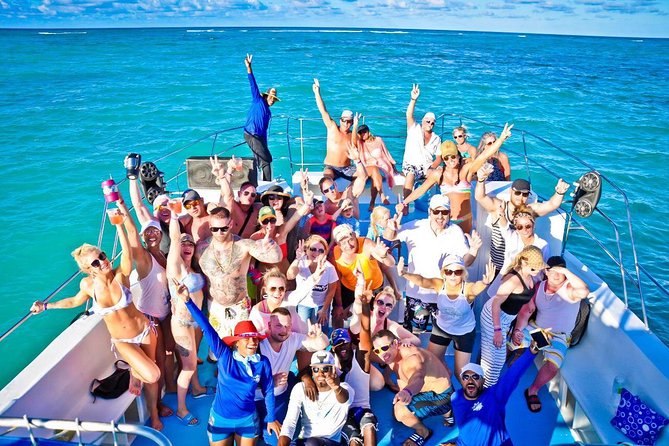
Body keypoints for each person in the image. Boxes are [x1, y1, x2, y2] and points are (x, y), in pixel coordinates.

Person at [30, 197, 162, 431]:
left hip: (145, 330)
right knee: (151, 374)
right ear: (87, 270)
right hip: (123, 341)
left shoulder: (121, 277)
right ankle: (133, 370)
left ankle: (154, 414)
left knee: (154, 381)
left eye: (102, 256)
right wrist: (46, 306)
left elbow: (128, 249)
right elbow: (73, 301)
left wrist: (119, 224)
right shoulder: (87, 287)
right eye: (96, 262)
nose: (102, 262)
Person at [177, 280, 281, 446]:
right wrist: (188, 301)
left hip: (247, 420)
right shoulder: (225, 356)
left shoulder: (262, 362)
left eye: (255, 338)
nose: (253, 342)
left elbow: (268, 390)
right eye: (247, 338)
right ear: (236, 343)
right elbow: (206, 327)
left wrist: (271, 418)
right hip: (220, 420)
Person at [384, 195, 481, 333]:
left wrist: (474, 250)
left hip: (443, 297)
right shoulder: (416, 226)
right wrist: (390, 227)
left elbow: (465, 263)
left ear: (449, 213)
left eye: (444, 212)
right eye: (436, 211)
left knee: (441, 337)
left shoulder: (455, 232)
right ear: (430, 211)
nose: (440, 216)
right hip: (417, 296)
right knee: (413, 337)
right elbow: (390, 236)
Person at [511, 255, 590, 412]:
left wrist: (566, 272)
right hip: (537, 328)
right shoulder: (539, 286)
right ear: (546, 271)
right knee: (513, 344)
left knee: (553, 366)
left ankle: (533, 390)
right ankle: (504, 372)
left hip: (559, 336)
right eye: (552, 271)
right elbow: (527, 311)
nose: (556, 274)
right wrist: (518, 331)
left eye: (560, 271)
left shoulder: (569, 290)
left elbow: (584, 291)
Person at [397, 254, 495, 380]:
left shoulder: (467, 289)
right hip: (442, 328)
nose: (453, 275)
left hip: (464, 332)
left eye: (457, 271)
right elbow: (422, 280)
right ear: (444, 273)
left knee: (460, 374)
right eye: (449, 271)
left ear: (463, 273)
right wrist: (404, 273)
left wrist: (485, 283)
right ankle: (445, 382)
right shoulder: (439, 284)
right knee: (432, 364)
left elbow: (476, 288)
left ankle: (467, 396)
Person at [403, 125, 512, 234]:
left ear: (458, 156)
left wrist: (501, 139)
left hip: (465, 220)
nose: (450, 160)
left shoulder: (466, 171)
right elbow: (421, 190)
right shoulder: (438, 174)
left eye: (453, 156)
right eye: (446, 157)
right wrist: (404, 202)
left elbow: (483, 156)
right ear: (444, 160)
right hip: (446, 222)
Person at [197, 207, 282, 339]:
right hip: (215, 307)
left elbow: (276, 258)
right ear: (210, 226)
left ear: (230, 224)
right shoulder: (201, 249)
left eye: (224, 228)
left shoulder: (244, 246)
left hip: (240, 307)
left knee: (242, 347)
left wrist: (271, 243)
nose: (219, 232)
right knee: (218, 350)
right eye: (215, 229)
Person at [256, 307, 329, 445]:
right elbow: (245, 381)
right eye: (278, 326)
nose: (284, 330)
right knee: (273, 439)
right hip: (260, 397)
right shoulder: (258, 344)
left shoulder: (292, 338)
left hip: (282, 392)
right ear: (269, 325)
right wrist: (270, 382)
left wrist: (319, 336)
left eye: (287, 326)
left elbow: (322, 344)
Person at [475, 175, 570, 277]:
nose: (520, 197)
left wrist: (560, 193)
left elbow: (551, 205)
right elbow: (480, 197)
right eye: (517, 193)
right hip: (499, 265)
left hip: (521, 266)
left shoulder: (529, 211)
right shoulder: (499, 207)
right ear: (511, 191)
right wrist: (481, 180)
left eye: (525, 194)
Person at [371, 330, 453, 446]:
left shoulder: (411, 358)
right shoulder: (392, 354)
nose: (382, 354)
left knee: (400, 411)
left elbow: (418, 377)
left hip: (442, 396)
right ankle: (447, 412)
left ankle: (424, 430)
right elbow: (391, 365)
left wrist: (407, 392)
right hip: (433, 389)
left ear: (395, 343)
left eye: (384, 348)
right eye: (377, 350)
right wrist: (387, 378)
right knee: (399, 404)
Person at [166, 211, 210, 426]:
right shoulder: (175, 268)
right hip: (182, 324)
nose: (187, 245)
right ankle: (181, 409)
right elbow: (175, 239)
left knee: (193, 362)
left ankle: (198, 388)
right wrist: (175, 217)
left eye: (190, 243)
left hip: (194, 322)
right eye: (183, 243)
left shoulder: (194, 267)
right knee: (189, 366)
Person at [480, 246, 546, 387]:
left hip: (506, 318)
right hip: (494, 317)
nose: (537, 271)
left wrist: (529, 303)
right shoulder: (512, 281)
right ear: (523, 263)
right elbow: (496, 305)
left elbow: (522, 298)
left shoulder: (528, 276)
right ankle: (485, 394)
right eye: (534, 268)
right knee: (495, 362)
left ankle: (483, 389)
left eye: (538, 268)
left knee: (493, 358)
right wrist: (497, 331)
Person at [445, 348, 539, 446]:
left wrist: (531, 353)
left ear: (483, 381)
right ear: (462, 381)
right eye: (466, 377)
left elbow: (512, 375)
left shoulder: (494, 395)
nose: (470, 380)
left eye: (476, 377)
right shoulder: (456, 397)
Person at [330, 286, 377, 446]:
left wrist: (365, 305)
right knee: (354, 440)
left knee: (369, 427)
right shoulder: (331, 365)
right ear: (333, 349)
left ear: (352, 344)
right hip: (342, 413)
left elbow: (366, 329)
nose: (343, 347)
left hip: (363, 409)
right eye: (339, 345)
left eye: (346, 343)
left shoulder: (362, 359)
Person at [278, 350, 354, 446]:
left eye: (325, 369)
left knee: (312, 443)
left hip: (330, 442)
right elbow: (290, 423)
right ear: (312, 371)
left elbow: (344, 399)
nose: (320, 373)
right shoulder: (300, 388)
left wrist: (336, 387)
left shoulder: (345, 388)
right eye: (316, 369)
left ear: (333, 369)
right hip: (304, 442)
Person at [331, 224, 396, 326]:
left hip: (372, 288)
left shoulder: (367, 245)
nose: (348, 245)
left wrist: (384, 255)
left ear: (354, 235)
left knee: (372, 318)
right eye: (343, 243)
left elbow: (391, 263)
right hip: (348, 287)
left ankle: (369, 339)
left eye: (350, 239)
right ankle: (337, 339)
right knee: (337, 314)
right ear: (337, 244)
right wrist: (338, 304)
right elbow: (337, 280)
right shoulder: (335, 253)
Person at [249, 263, 328, 335]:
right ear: (265, 290)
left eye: (281, 289)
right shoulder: (257, 311)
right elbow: (254, 335)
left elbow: (303, 289)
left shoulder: (289, 300)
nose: (277, 292)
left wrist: (316, 275)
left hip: (298, 342)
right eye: (273, 288)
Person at [286, 237, 339, 327]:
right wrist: (297, 259)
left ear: (325, 253)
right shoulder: (301, 262)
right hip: (303, 303)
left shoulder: (330, 268)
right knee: (303, 332)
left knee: (321, 333)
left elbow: (331, 291)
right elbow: (290, 276)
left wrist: (324, 310)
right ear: (306, 250)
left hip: (321, 304)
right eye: (313, 249)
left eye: (321, 251)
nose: (316, 253)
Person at [401, 84, 441, 200]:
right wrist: (413, 99)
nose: (430, 124)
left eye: (432, 123)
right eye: (428, 121)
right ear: (422, 121)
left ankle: (437, 203)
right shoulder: (414, 128)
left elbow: (439, 157)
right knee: (410, 175)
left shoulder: (436, 138)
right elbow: (409, 114)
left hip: (427, 167)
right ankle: (405, 204)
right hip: (411, 165)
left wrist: (432, 167)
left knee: (440, 174)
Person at [243, 53, 279, 182]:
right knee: (266, 161)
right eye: (271, 98)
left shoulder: (268, 112)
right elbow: (253, 83)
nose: (273, 101)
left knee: (263, 159)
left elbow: (264, 130)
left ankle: (259, 182)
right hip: (251, 134)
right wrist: (249, 67)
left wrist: (265, 145)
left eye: (274, 99)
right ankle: (267, 184)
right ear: (266, 95)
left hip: (258, 137)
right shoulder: (258, 100)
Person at [312, 78, 357, 181]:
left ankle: (351, 196)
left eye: (349, 121)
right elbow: (323, 111)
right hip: (331, 167)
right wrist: (317, 93)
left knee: (362, 176)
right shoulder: (332, 127)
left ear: (352, 123)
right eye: (343, 120)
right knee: (327, 178)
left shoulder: (353, 135)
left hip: (347, 168)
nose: (346, 123)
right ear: (340, 120)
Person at [211, 155, 262, 239]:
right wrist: (223, 175)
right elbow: (227, 194)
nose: (249, 196)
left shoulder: (257, 209)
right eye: (246, 193)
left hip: (248, 247)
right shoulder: (233, 207)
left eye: (253, 195)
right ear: (239, 194)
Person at [352, 118, 397, 210]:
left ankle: (372, 203)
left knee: (375, 172)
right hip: (365, 169)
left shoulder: (378, 140)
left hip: (379, 169)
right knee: (373, 169)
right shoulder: (360, 143)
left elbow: (387, 154)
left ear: (369, 132)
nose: (363, 134)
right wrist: (355, 124)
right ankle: (381, 195)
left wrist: (393, 166)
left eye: (365, 132)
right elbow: (353, 140)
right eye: (360, 133)